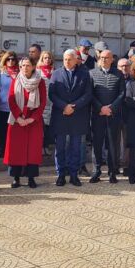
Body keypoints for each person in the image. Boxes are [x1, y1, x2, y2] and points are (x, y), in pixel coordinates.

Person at [50, 49, 93, 187]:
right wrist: (64, 107)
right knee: (60, 147)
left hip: (78, 115)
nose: (67, 62)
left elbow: (88, 94)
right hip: (61, 115)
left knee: (76, 147)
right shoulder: (56, 74)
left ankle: (74, 175)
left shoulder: (85, 74)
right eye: (65, 59)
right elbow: (52, 94)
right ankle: (61, 174)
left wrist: (73, 107)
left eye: (70, 59)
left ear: (76, 60)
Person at [4, 58, 47, 189]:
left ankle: (31, 178)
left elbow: (43, 102)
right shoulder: (15, 80)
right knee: (16, 150)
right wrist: (19, 117)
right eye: (22, 65)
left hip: (33, 121)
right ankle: (16, 178)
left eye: (28, 65)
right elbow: (11, 100)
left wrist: (32, 118)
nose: (25, 68)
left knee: (32, 151)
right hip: (18, 121)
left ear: (34, 66)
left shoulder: (40, 82)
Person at [89, 50, 125, 184]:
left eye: (106, 58)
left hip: (113, 115)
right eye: (102, 57)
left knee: (112, 144)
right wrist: (101, 108)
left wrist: (111, 108)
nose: (104, 60)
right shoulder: (92, 73)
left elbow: (122, 94)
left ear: (112, 59)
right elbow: (90, 94)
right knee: (97, 144)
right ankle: (96, 171)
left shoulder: (119, 74)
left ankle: (112, 171)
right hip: (97, 114)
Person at [0, 51, 18, 155]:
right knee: (2, 131)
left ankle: (12, 151)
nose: (11, 61)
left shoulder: (19, 73)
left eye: (13, 59)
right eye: (8, 59)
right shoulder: (0, 73)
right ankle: (3, 151)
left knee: (13, 132)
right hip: (2, 106)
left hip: (15, 107)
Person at [37, 51, 55, 156]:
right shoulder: (38, 72)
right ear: (42, 59)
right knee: (41, 127)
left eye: (49, 58)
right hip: (41, 103)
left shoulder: (54, 71)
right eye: (45, 58)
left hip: (52, 103)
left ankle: (46, 146)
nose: (47, 60)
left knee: (48, 127)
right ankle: (40, 147)